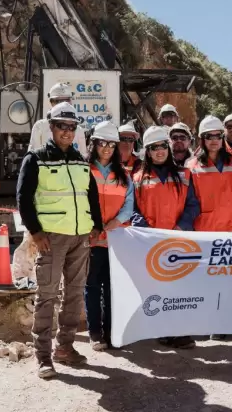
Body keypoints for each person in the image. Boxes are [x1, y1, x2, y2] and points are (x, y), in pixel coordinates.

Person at [16, 102, 103, 377]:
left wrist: (96, 224)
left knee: (75, 294)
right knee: (47, 295)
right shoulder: (36, 159)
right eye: (62, 126)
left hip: (80, 237)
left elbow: (91, 195)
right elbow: (23, 198)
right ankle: (43, 356)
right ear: (51, 127)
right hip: (51, 238)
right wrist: (36, 232)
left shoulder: (80, 161)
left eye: (71, 126)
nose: (67, 131)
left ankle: (65, 347)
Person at [184, 115, 232, 341]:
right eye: (209, 136)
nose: (214, 140)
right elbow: (189, 201)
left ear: (222, 137)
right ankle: (214, 325)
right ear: (202, 139)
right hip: (206, 234)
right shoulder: (191, 166)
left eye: (217, 135)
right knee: (210, 282)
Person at [131, 125, 197, 350]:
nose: (159, 151)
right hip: (150, 243)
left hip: (178, 241)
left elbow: (193, 205)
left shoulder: (184, 175)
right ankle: (162, 331)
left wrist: (181, 226)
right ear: (147, 151)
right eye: (153, 147)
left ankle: (181, 332)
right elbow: (133, 210)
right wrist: (146, 230)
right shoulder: (137, 178)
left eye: (162, 146)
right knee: (156, 288)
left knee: (180, 289)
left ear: (168, 148)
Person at [85, 121, 135, 352]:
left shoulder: (123, 175)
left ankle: (112, 333)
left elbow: (129, 204)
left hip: (116, 240)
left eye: (111, 144)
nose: (106, 148)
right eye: (102, 143)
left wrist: (117, 221)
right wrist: (91, 225)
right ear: (94, 144)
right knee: (92, 286)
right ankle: (95, 334)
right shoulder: (84, 170)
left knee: (113, 288)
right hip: (91, 239)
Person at [28, 82, 86, 152]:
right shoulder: (40, 126)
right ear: (51, 102)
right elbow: (34, 153)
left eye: (66, 100)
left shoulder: (78, 130)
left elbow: (82, 155)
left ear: (71, 101)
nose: (62, 104)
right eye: (58, 101)